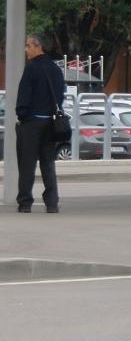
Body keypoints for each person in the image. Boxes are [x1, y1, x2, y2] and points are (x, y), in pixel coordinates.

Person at [15, 33, 67, 213]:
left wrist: (22, 116)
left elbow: (24, 96)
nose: (26, 49)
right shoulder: (55, 69)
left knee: (27, 165)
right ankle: (51, 202)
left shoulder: (31, 68)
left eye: (28, 45)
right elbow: (60, 95)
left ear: (38, 47)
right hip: (50, 124)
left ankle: (25, 202)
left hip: (31, 124)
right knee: (48, 163)